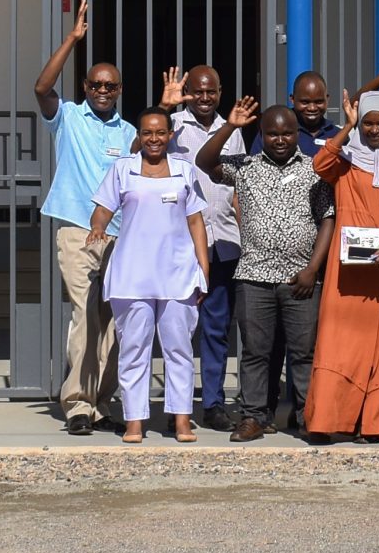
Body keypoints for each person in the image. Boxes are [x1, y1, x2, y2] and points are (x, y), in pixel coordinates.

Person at [199, 98, 334, 441]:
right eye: (272, 133)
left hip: (300, 279)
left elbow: (328, 221)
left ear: (295, 134)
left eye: (287, 133)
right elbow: (205, 161)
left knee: (304, 354)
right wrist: (229, 125)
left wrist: (313, 269)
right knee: (256, 353)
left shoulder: (314, 169)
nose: (279, 139)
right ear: (262, 133)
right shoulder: (244, 166)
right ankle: (254, 417)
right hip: (254, 277)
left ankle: (310, 418)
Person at [303, 94, 379, 442]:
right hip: (349, 270)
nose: (374, 130)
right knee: (341, 341)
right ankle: (329, 420)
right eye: (368, 123)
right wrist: (347, 126)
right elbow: (320, 164)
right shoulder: (345, 160)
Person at [33, 0, 132, 435]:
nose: (103, 91)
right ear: (86, 87)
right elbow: (41, 89)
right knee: (84, 314)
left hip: (120, 235)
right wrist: (73, 39)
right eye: (96, 85)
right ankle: (77, 402)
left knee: (114, 319)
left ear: (119, 89)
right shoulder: (68, 118)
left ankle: (102, 401)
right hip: (77, 230)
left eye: (110, 86)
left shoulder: (130, 132)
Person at [85, 110, 211, 444]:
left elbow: (196, 222)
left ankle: (182, 419)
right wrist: (98, 227)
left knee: (179, 349)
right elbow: (103, 208)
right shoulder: (122, 169)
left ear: (170, 135)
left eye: (160, 133)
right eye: (146, 133)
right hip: (132, 274)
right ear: (139, 135)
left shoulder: (185, 171)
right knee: (133, 350)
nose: (153, 139)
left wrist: (203, 268)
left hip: (178, 273)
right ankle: (134, 422)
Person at [158, 64, 241, 431]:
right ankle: (177, 407)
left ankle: (213, 403)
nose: (205, 99)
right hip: (181, 244)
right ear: (188, 91)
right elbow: (137, 153)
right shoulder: (172, 125)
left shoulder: (234, 129)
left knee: (216, 327)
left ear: (220, 91)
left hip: (223, 241)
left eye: (211, 92)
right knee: (176, 329)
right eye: (198, 92)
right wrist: (163, 108)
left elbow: (236, 187)